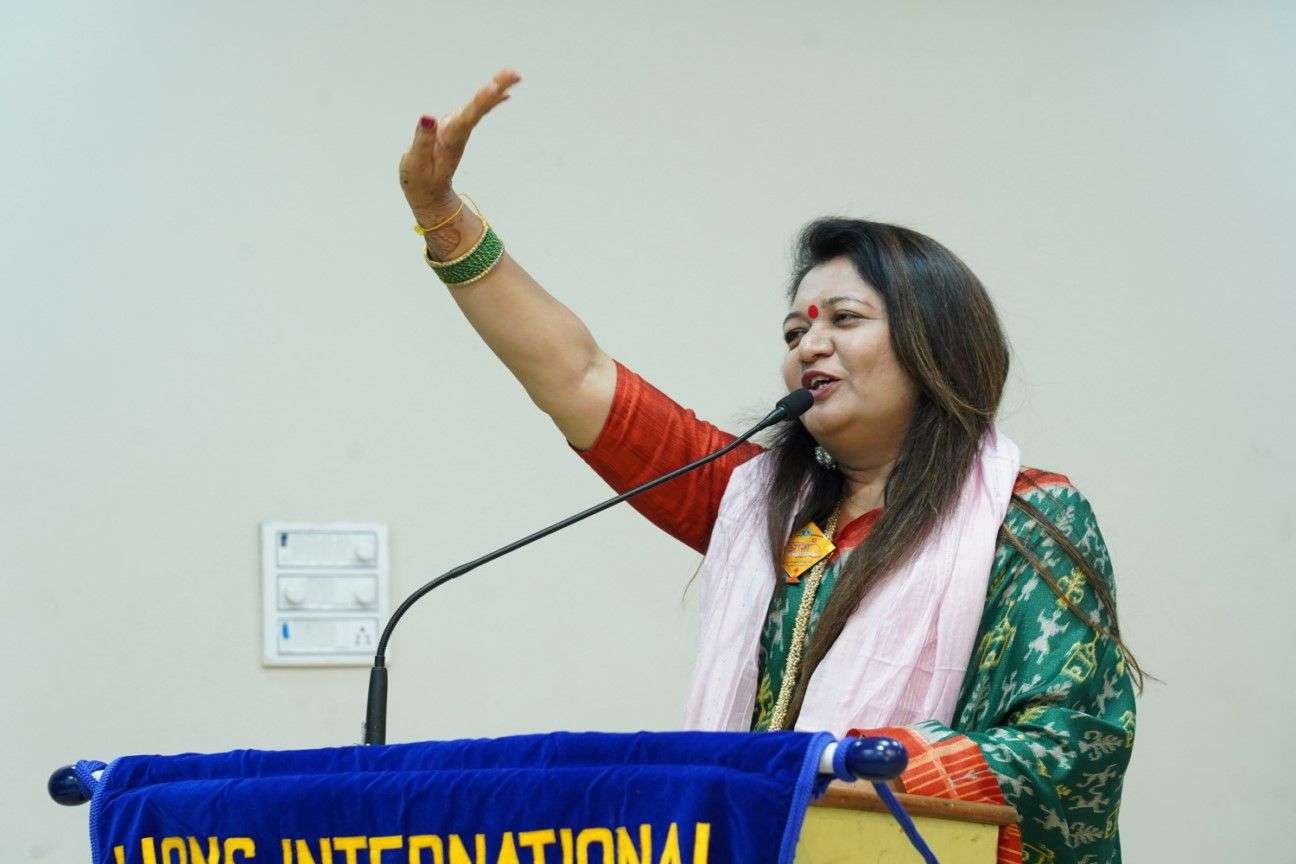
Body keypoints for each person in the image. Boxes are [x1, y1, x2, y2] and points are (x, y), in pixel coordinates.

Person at [398, 69, 1141, 864]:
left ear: (936, 343)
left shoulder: (1024, 519)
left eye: (843, 320)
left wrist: (844, 767)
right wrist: (444, 220)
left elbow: (1072, 749)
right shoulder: (754, 506)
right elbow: (577, 377)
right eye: (794, 333)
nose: (808, 346)